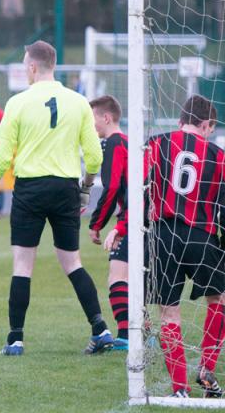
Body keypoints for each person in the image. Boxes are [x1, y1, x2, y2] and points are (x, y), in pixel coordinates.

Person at [0, 40, 112, 356]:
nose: (26, 70)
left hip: (30, 189)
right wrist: (85, 189)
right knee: (72, 261)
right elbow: (93, 157)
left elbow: (1, 155)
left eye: (26, 65)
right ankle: (100, 328)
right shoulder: (78, 102)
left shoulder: (18, 103)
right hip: (65, 187)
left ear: (33, 67)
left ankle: (15, 339)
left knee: (23, 263)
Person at [111, 95, 225, 398]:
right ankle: (206, 366)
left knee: (169, 315)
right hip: (201, 237)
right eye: (210, 128)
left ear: (180, 121)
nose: (210, 134)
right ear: (205, 124)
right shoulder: (219, 156)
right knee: (220, 300)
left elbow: (139, 192)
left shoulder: (156, 144)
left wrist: (121, 228)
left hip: (161, 237)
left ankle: (180, 390)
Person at [86, 95, 129, 352]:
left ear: (106, 117)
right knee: (131, 279)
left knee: (117, 277)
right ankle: (142, 330)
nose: (92, 126)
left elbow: (112, 186)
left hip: (131, 219)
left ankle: (125, 336)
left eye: (93, 120)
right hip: (144, 218)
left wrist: (97, 223)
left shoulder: (113, 143)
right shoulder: (128, 141)